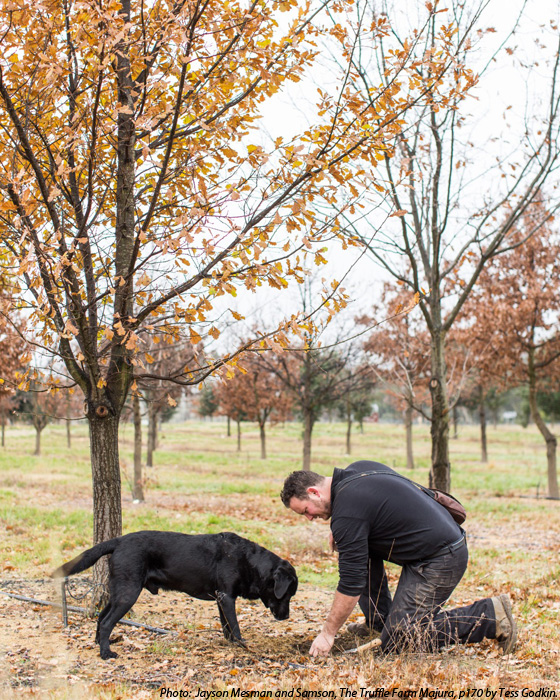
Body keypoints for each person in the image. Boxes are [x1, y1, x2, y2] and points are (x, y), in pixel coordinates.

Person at [280, 460, 517, 658]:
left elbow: (351, 583)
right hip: (432, 548)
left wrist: (328, 633)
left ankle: (491, 615)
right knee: (354, 549)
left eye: (306, 511)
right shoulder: (357, 471)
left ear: (314, 492)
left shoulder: (348, 512)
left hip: (442, 558)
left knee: (400, 640)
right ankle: (378, 621)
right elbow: (375, 507)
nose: (310, 518)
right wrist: (346, 531)